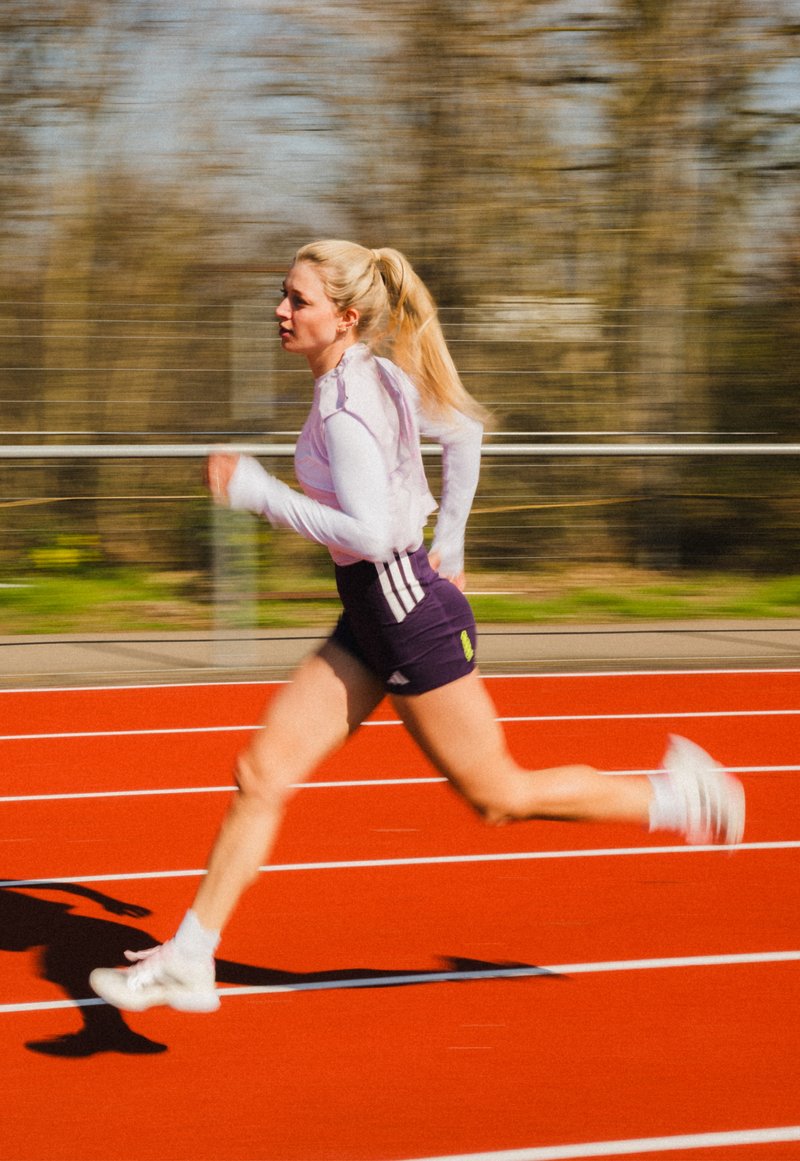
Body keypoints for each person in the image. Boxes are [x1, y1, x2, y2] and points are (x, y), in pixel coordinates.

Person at [89, 239, 745, 1014]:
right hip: (376, 609)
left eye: (298, 300)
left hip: (403, 616)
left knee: (499, 796)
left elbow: (369, 532)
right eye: (284, 293)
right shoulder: (370, 373)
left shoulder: (346, 405)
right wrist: (451, 542)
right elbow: (463, 433)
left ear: (346, 316)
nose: (281, 309)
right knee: (262, 773)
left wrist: (259, 492)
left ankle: (678, 795)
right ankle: (190, 958)